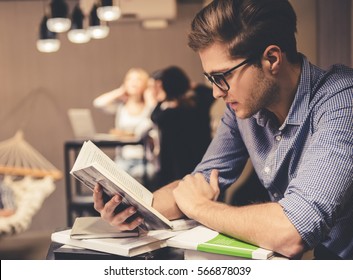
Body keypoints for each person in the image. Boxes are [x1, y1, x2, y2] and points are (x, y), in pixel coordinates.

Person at [93, 0, 353, 259]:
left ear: (272, 59)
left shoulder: (342, 101)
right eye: (211, 79)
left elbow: (292, 231)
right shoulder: (243, 108)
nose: (217, 92)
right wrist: (131, 209)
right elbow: (200, 183)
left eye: (223, 77)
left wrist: (200, 208)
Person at [150, 66, 213, 187]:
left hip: (175, 166)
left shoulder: (166, 114)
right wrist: (189, 85)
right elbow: (209, 93)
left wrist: (160, 100)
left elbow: (154, 116)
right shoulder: (198, 105)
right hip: (202, 158)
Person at [93, 67, 157, 183]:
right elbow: (98, 103)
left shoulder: (149, 106)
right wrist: (120, 91)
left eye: (138, 79)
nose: (133, 82)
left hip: (144, 159)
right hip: (123, 159)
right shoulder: (121, 106)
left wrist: (149, 100)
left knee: (144, 177)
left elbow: (156, 119)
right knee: (112, 180)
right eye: (130, 79)